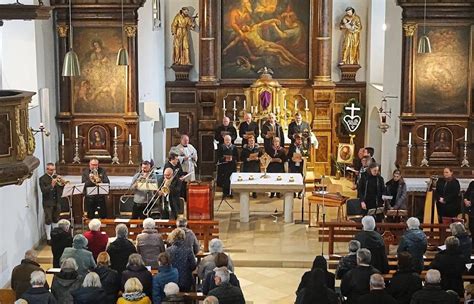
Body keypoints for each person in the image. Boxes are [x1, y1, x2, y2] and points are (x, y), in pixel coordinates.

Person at [39, 162, 65, 244]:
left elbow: (61, 188)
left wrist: (62, 182)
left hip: (57, 201)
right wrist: (52, 185)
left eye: (53, 170)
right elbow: (43, 191)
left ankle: (55, 235)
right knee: (48, 219)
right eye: (50, 170)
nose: (52, 171)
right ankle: (48, 237)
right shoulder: (42, 179)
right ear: (47, 169)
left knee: (56, 218)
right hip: (48, 202)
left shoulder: (56, 177)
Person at [287, 134, 305, 199]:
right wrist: (291, 158)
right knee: (293, 178)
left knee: (300, 178)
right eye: (298, 139)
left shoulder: (303, 146)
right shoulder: (292, 146)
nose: (299, 140)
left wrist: (303, 157)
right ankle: (294, 193)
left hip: (301, 165)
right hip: (293, 165)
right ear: (295, 139)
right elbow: (288, 155)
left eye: (300, 139)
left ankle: (300, 193)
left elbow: (307, 154)